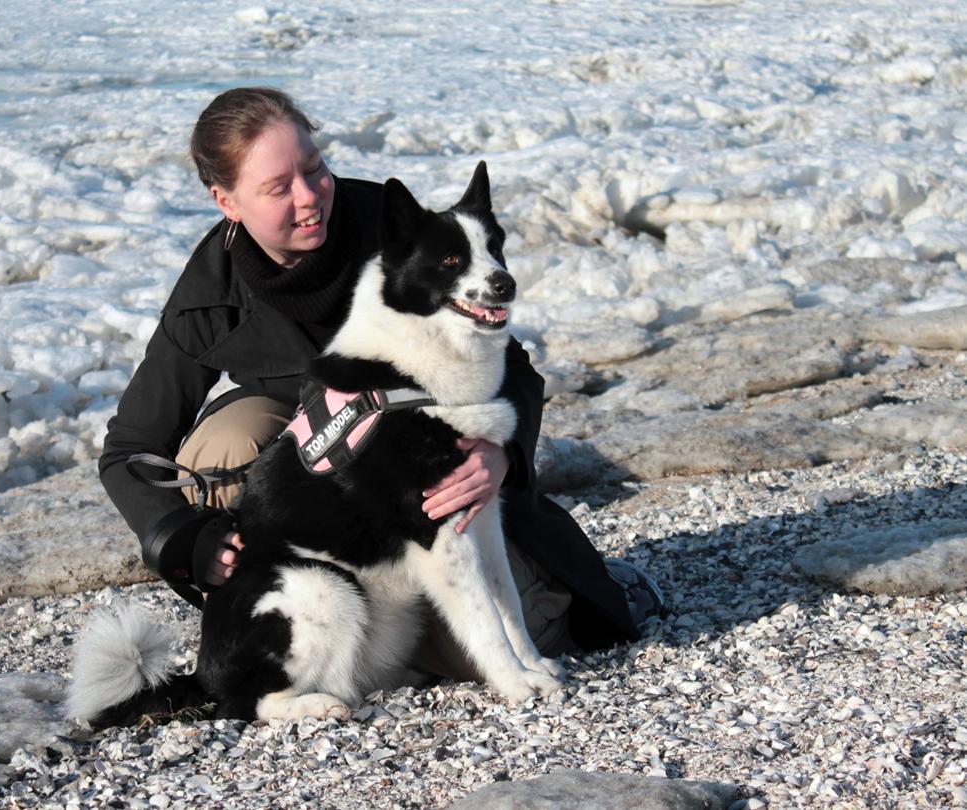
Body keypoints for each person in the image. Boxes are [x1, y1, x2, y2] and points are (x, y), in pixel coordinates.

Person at [99, 87, 663, 681]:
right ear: (226, 201)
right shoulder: (205, 299)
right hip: (322, 499)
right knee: (228, 440)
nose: (309, 197)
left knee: (530, 633)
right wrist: (184, 539)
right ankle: (266, 632)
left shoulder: (399, 233)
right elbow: (129, 451)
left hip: (421, 477)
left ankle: (596, 581)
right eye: (277, 187)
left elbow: (512, 365)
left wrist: (502, 456)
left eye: (315, 170)